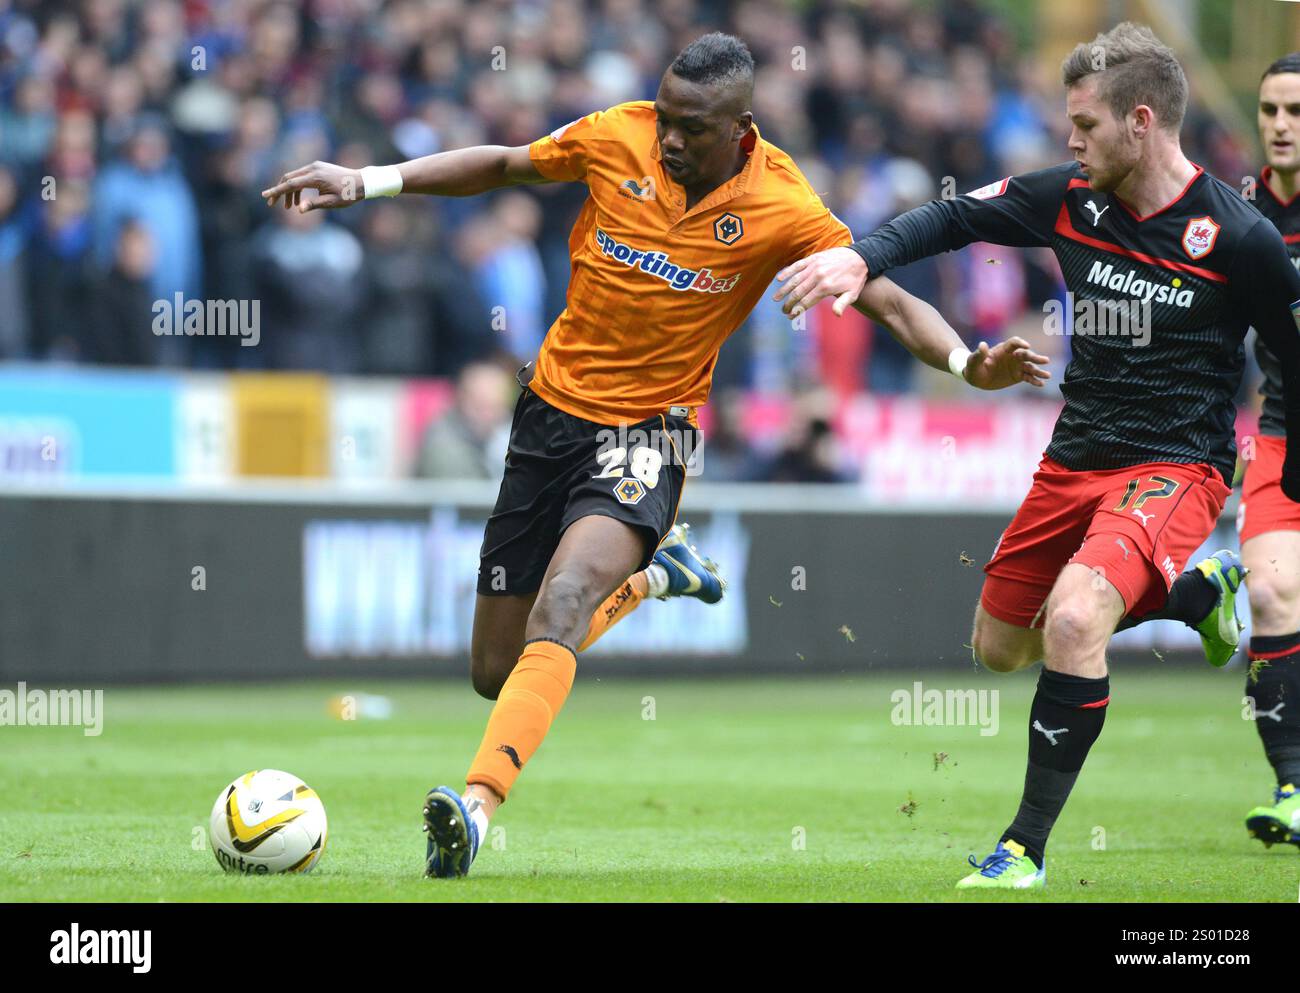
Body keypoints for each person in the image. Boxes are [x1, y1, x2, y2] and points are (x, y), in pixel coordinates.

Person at [263, 32, 1048, 879]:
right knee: (498, 670)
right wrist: (368, 180)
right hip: (547, 420)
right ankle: (656, 576)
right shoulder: (617, 134)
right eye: (666, 116)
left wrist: (968, 363)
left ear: (742, 127)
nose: (669, 137)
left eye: (692, 126)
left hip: (651, 433)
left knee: (562, 604)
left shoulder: (782, 202)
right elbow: (503, 164)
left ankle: (477, 807)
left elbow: (883, 295)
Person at [776, 22, 1300, 889]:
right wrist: (855, 258)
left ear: (1141, 121)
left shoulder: (1236, 236)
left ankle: (1023, 847)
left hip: (1179, 466)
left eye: (1085, 124)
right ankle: (1195, 595)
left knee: (1074, 619)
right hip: (1075, 458)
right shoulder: (1068, 197)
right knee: (999, 647)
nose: (1070, 139)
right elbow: (949, 217)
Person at [1238, 53, 1300, 850]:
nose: (1282, 125)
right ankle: (1292, 786)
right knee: (1272, 600)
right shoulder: (1236, 216)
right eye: (1271, 110)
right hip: (1282, 435)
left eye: (1297, 110)